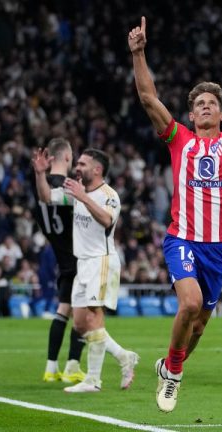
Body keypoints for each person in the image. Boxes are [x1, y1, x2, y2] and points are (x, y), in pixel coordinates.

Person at [129, 14, 222, 412]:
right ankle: (173, 374)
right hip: (184, 237)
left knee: (200, 324)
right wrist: (138, 54)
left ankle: (170, 363)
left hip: (219, 248)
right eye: (199, 104)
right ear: (191, 116)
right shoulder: (179, 140)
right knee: (189, 304)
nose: (206, 107)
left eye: (212, 103)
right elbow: (147, 99)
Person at [34, 148, 139, 393]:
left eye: (82, 164)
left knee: (94, 318)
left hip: (101, 261)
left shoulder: (108, 194)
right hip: (83, 263)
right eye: (77, 162)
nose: (77, 167)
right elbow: (47, 198)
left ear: (97, 169)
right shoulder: (76, 191)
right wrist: (40, 174)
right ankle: (124, 356)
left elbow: (107, 220)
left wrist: (83, 197)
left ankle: (93, 380)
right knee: (81, 324)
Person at [30, 137, 86, 384]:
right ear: (66, 157)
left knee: (64, 309)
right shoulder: (69, 187)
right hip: (78, 255)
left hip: (60, 256)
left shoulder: (39, 189)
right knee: (84, 314)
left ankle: (51, 367)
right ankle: (73, 365)